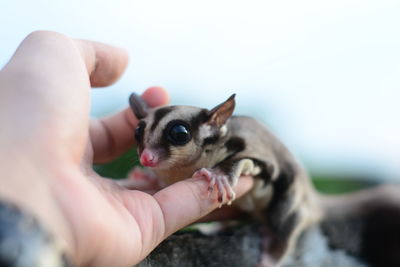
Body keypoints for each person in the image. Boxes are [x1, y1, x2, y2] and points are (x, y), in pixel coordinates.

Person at [0, 31, 254, 267]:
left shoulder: (225, 145)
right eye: (140, 135)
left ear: (216, 121)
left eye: (177, 134)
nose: (145, 156)